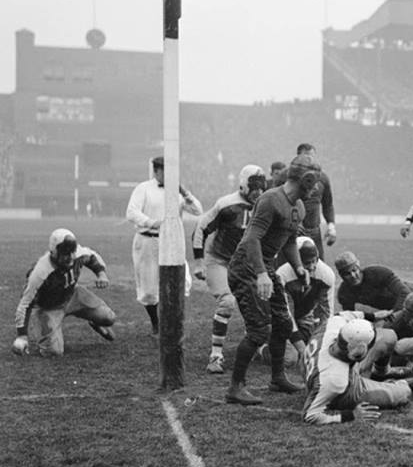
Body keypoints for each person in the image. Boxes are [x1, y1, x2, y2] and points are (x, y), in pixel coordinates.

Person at [225, 153, 317, 405]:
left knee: (283, 323)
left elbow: (288, 240)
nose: (316, 188)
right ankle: (235, 387)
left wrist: (299, 267)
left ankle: (277, 378)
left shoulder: (297, 206)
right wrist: (262, 274)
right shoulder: (270, 200)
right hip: (247, 267)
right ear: (304, 180)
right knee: (258, 330)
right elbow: (251, 239)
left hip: (265, 267)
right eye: (314, 182)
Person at [191, 164, 266, 374]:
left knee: (260, 304)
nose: (258, 193)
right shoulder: (227, 205)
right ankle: (216, 356)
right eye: (254, 188)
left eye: (262, 188)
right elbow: (200, 228)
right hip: (220, 260)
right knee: (227, 302)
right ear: (243, 186)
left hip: (246, 264)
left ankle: (259, 345)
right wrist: (198, 262)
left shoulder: (265, 205)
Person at [302, 313, 413, 425]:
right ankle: (401, 384)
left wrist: (374, 315)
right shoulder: (335, 382)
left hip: (328, 364)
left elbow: (347, 315)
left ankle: (381, 372)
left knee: (389, 336)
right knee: (402, 394)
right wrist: (350, 415)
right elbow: (310, 415)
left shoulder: (333, 326)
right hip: (343, 390)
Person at [125, 156, 202, 334]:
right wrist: (152, 222)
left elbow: (198, 210)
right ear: (157, 171)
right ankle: (156, 323)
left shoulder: (178, 192)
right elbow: (131, 212)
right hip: (147, 241)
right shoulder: (143, 189)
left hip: (171, 242)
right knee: (149, 289)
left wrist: (184, 192)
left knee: (182, 282)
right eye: (166, 171)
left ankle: (172, 319)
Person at [12, 228, 115, 358]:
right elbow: (25, 304)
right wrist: (21, 335)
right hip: (48, 308)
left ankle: (94, 321)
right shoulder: (39, 272)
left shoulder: (77, 253)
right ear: (54, 253)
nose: (71, 257)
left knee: (109, 318)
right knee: (53, 352)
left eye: (72, 252)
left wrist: (101, 274)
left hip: (73, 295)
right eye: (66, 254)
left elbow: (92, 257)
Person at [333, 250, 409, 377]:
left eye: (355, 269)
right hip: (387, 311)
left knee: (385, 333)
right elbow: (351, 319)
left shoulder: (378, 273)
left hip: (408, 302)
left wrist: (392, 315)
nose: (353, 275)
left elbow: (405, 293)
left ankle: (371, 371)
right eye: (347, 273)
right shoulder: (344, 292)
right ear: (341, 275)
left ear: (359, 265)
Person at [275, 236, 336, 372]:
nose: (312, 266)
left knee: (318, 349)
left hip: (304, 317)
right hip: (279, 319)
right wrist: (301, 348)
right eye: (307, 263)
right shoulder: (282, 275)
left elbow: (326, 313)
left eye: (315, 261)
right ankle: (263, 346)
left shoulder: (326, 274)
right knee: (290, 358)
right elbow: (286, 314)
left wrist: (324, 342)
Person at [292, 143, 336, 260]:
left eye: (312, 157)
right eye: (306, 157)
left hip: (313, 230)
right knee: (290, 266)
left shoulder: (322, 178)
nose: (309, 160)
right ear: (298, 158)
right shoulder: (289, 177)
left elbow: (328, 204)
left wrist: (331, 227)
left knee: (318, 265)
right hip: (293, 231)